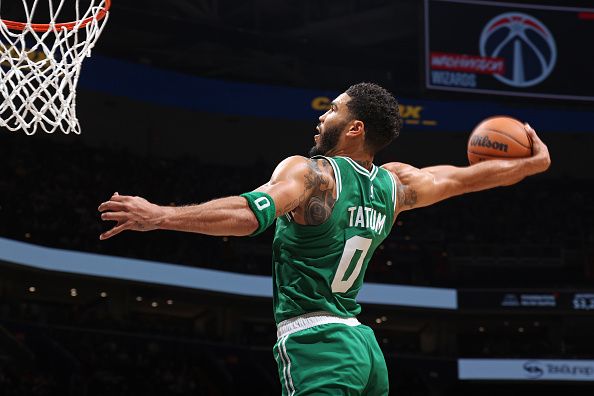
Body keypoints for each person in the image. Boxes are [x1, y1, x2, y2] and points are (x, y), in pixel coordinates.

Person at [98, 82, 550, 395]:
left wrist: (161, 216)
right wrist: (530, 166)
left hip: (317, 345)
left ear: (355, 128)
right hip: (365, 350)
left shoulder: (312, 173)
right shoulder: (398, 186)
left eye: (333, 109)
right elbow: (465, 179)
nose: (322, 114)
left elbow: (249, 213)